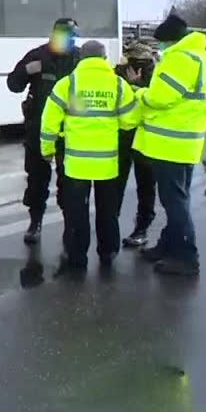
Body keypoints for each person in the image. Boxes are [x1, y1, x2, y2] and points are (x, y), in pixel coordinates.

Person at [40, 40, 140, 274]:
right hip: (107, 163)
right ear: (105, 59)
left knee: (76, 212)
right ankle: (108, 252)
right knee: (107, 210)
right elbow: (129, 121)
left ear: (80, 59)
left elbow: (49, 121)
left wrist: (47, 150)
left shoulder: (69, 84)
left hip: (76, 164)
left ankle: (77, 257)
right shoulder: (118, 84)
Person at [135, 13, 206, 277]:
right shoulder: (201, 56)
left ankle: (186, 257)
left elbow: (161, 98)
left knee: (174, 202)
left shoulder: (180, 59)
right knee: (177, 199)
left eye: (162, 44)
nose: (160, 48)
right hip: (185, 141)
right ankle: (168, 246)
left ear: (171, 41)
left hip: (170, 143)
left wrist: (139, 92)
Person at [8, 18, 80, 245]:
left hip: (68, 132)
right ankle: (35, 223)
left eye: (72, 36)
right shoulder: (37, 55)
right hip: (38, 130)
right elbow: (13, 84)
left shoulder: (79, 59)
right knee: (37, 179)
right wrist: (28, 70)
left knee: (69, 182)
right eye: (65, 36)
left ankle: (70, 226)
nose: (69, 41)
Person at [115, 41, 159, 248]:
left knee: (144, 187)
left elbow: (156, 102)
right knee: (124, 185)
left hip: (142, 137)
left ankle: (141, 228)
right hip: (129, 136)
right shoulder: (120, 72)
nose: (138, 64)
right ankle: (115, 225)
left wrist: (138, 86)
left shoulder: (156, 75)